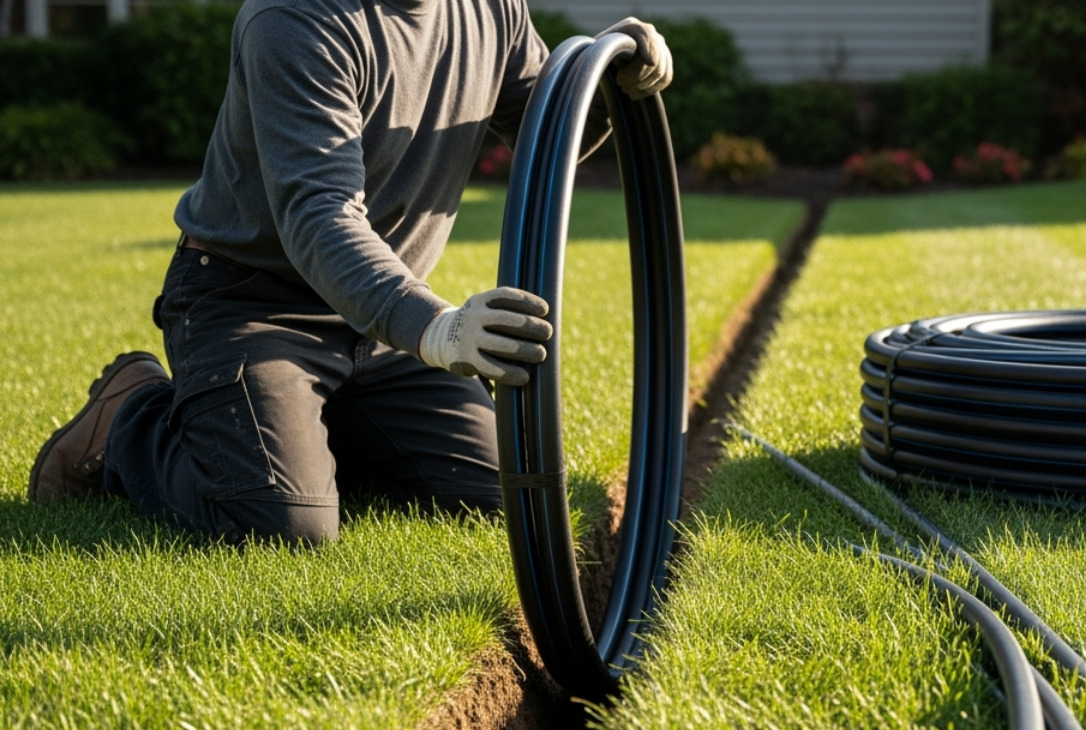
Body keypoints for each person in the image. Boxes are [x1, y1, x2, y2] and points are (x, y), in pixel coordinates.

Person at [26, 0, 672, 545]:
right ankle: (130, 416)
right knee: (282, 526)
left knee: (497, 497)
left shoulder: (488, 8)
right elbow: (319, 215)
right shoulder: (295, 18)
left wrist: (613, 82)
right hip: (253, 306)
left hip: (375, 324)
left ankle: (299, 430)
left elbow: (547, 131)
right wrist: (439, 330)